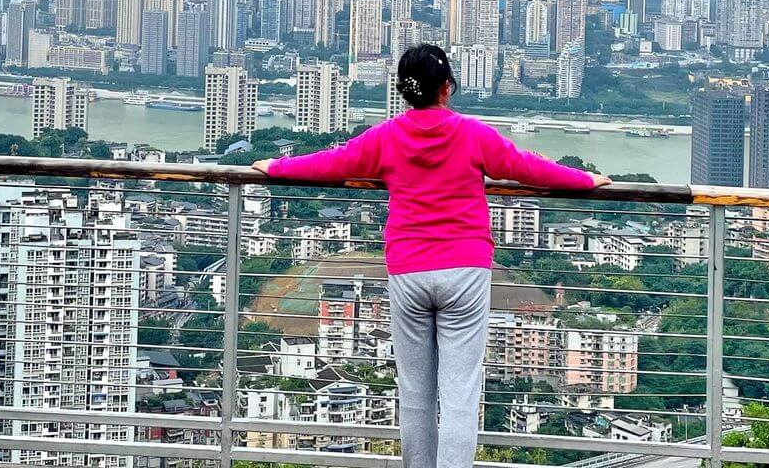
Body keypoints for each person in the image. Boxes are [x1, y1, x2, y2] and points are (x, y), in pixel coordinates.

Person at [253, 43, 610, 468]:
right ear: (447, 88)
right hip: (465, 270)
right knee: (460, 393)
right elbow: (526, 166)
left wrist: (276, 167)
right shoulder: (474, 134)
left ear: (405, 90)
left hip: (409, 272)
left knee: (416, 391)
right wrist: (584, 180)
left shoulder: (385, 137)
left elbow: (334, 163)